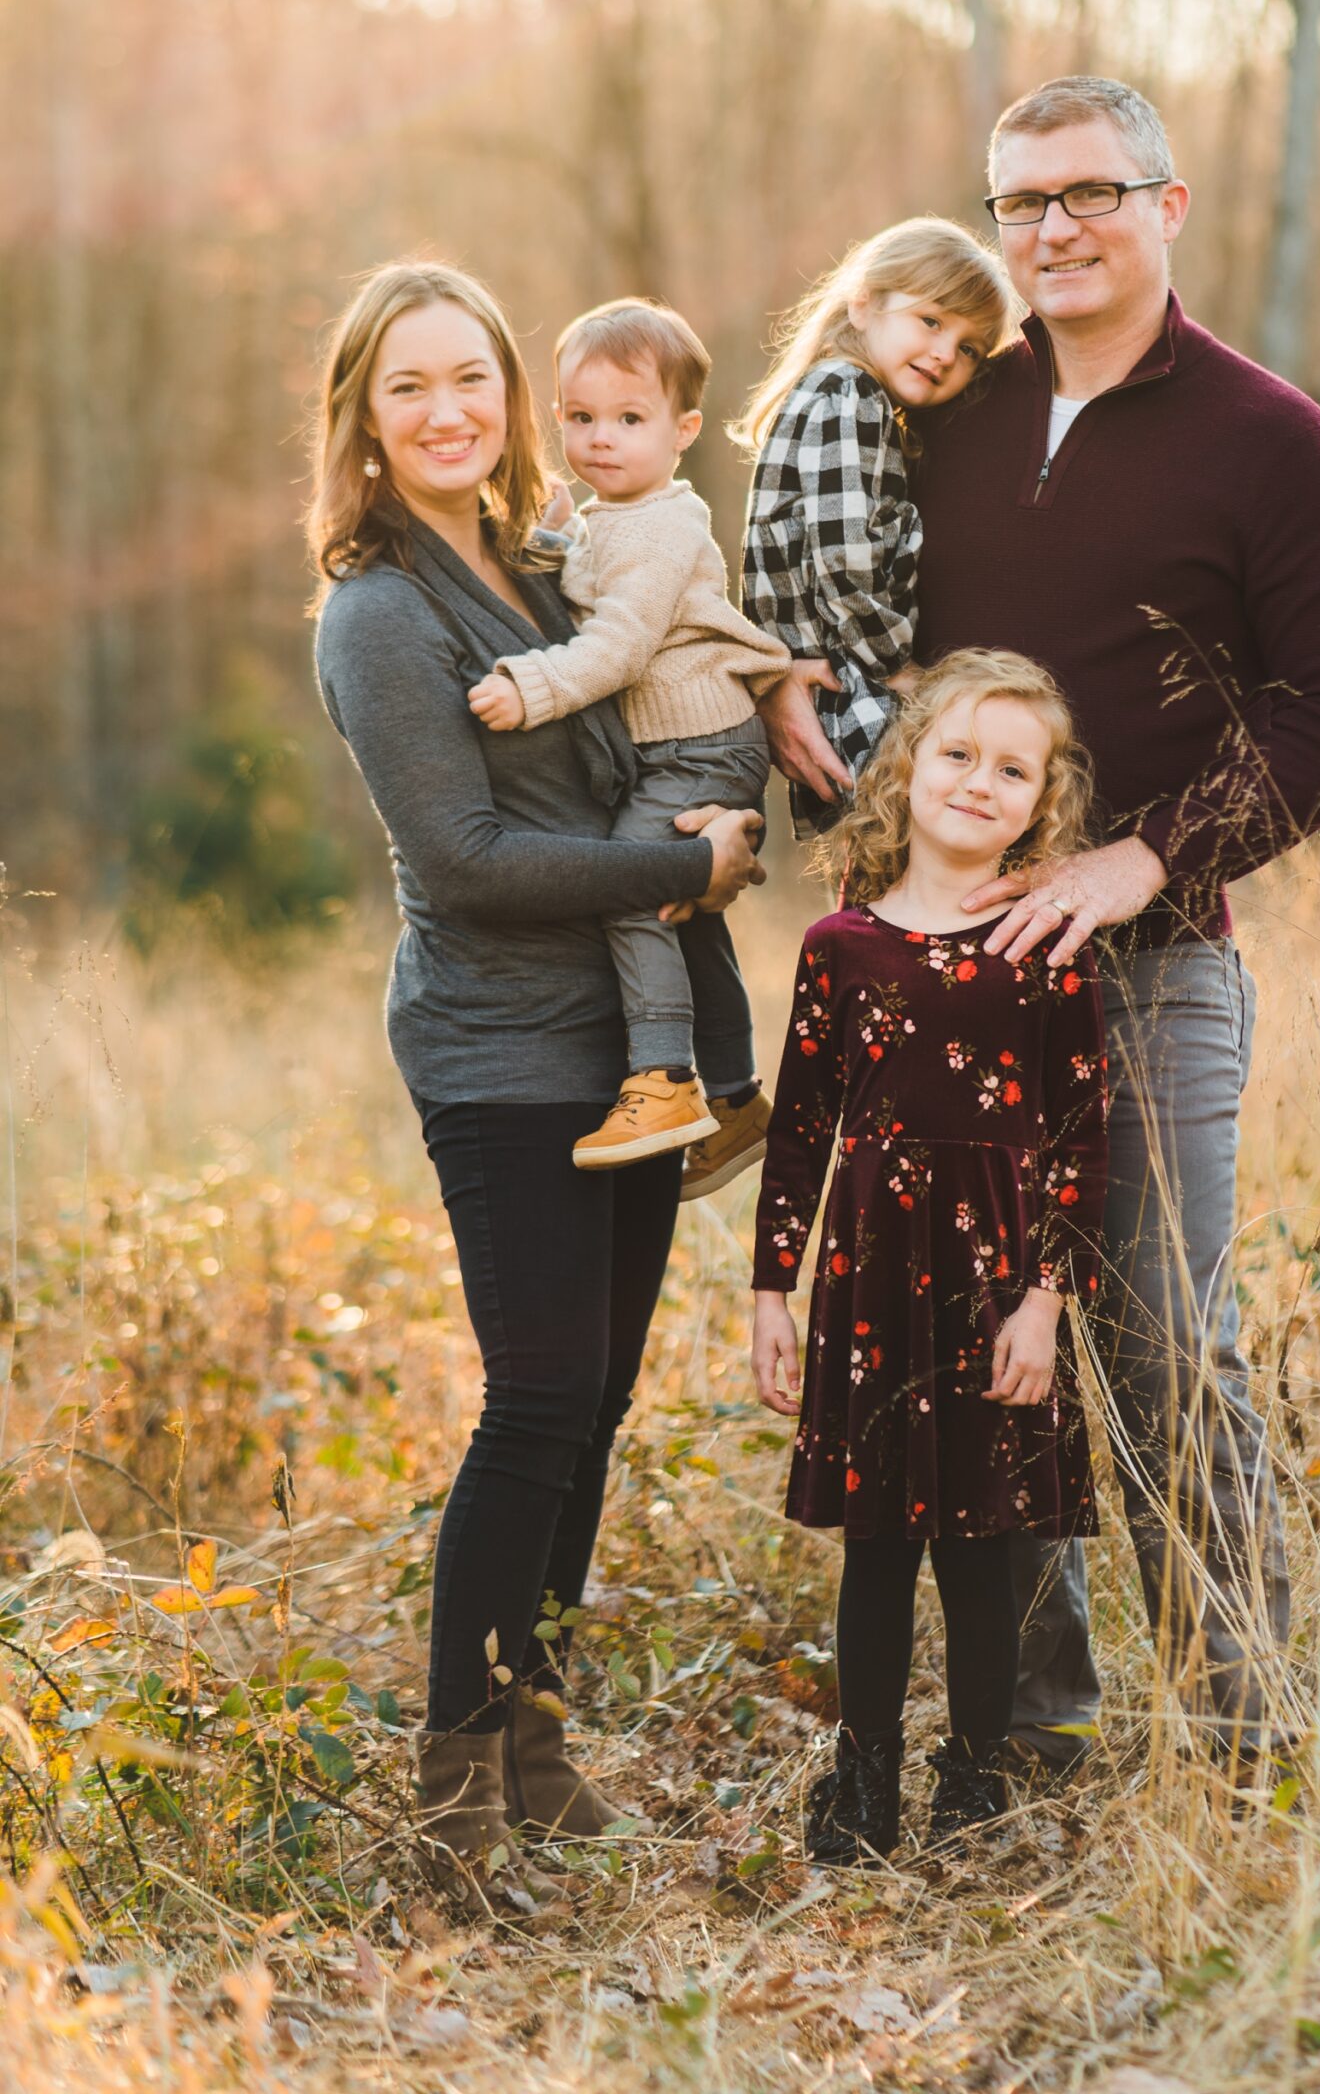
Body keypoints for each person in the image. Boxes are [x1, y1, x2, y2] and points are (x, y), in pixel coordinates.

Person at [759, 76, 1320, 1777]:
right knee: (973, 1344)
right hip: (938, 966)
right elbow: (836, 589)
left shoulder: (1268, 438)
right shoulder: (941, 406)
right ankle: (1017, 1730)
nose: (1054, 231)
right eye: (1021, 204)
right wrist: (784, 691)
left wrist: (1140, 859)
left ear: (1167, 204)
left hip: (1152, 960)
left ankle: (1249, 1732)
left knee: (1161, 1336)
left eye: (1089, 194)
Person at [309, 261, 764, 1912]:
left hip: (626, 1045)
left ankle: (538, 1757)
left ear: (512, 394)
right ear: (363, 418)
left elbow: (657, 715)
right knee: (538, 1403)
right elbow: (470, 860)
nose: (449, 412)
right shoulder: (380, 612)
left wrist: (735, 794)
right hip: (503, 1048)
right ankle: (446, 1817)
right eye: (410, 386)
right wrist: (679, 868)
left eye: (472, 379)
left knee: (600, 1405)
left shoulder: (554, 555)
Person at [750, 650, 1108, 1860]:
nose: (979, 782)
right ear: (907, 765)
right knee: (877, 1546)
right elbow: (800, 1129)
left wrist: (1047, 1303)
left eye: (1014, 769)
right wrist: (770, 1292)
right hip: (869, 1275)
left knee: (983, 1548)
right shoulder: (840, 945)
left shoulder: (1047, 937)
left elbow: (1079, 1137)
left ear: (1043, 800)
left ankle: (973, 1781)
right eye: (958, 753)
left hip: (998, 1280)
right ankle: (864, 1788)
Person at [466, 298, 789, 1193]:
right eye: (580, 418)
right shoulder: (618, 513)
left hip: (698, 747)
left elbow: (618, 645)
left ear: (684, 429)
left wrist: (532, 689)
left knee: (634, 886)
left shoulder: (659, 527)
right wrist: (555, 536)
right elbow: (582, 570)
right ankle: (735, 1100)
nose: (600, 438)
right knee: (693, 915)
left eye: (629, 419)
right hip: (680, 746)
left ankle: (665, 1079)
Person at [737, 217, 1015, 836]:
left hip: (824, 686)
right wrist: (897, 668)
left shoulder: (840, 395)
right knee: (933, 847)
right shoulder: (849, 393)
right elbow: (844, 560)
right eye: (932, 321)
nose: (946, 353)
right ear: (863, 303)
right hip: (850, 683)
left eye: (970, 347)